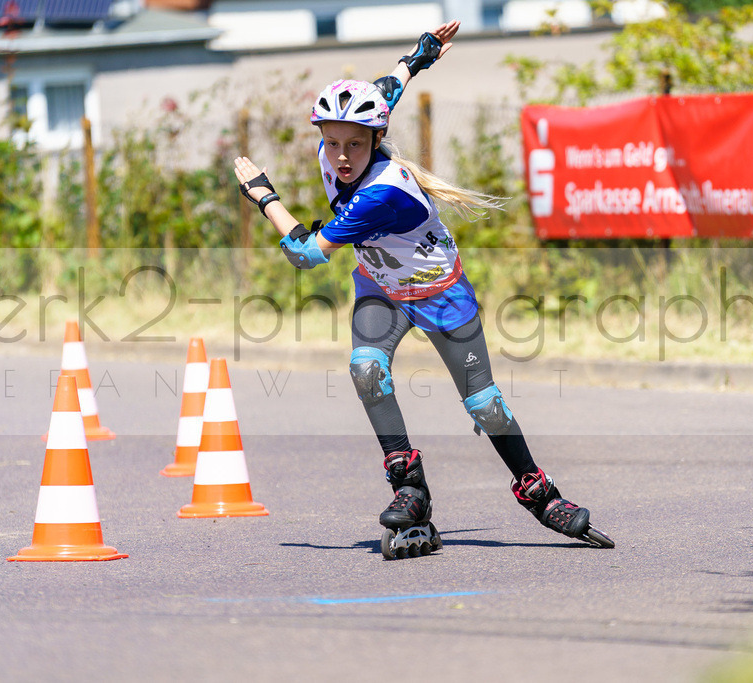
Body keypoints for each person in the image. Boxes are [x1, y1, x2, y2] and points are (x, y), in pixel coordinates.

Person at [233, 21, 609, 552]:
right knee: (366, 368)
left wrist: (264, 196)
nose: (341, 157)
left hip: (440, 292)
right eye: (333, 142)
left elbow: (304, 254)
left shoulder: (383, 194)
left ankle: (539, 493)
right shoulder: (339, 154)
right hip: (382, 288)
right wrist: (419, 55)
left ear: (377, 140)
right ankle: (410, 489)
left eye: (355, 146)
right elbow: (386, 91)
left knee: (484, 405)